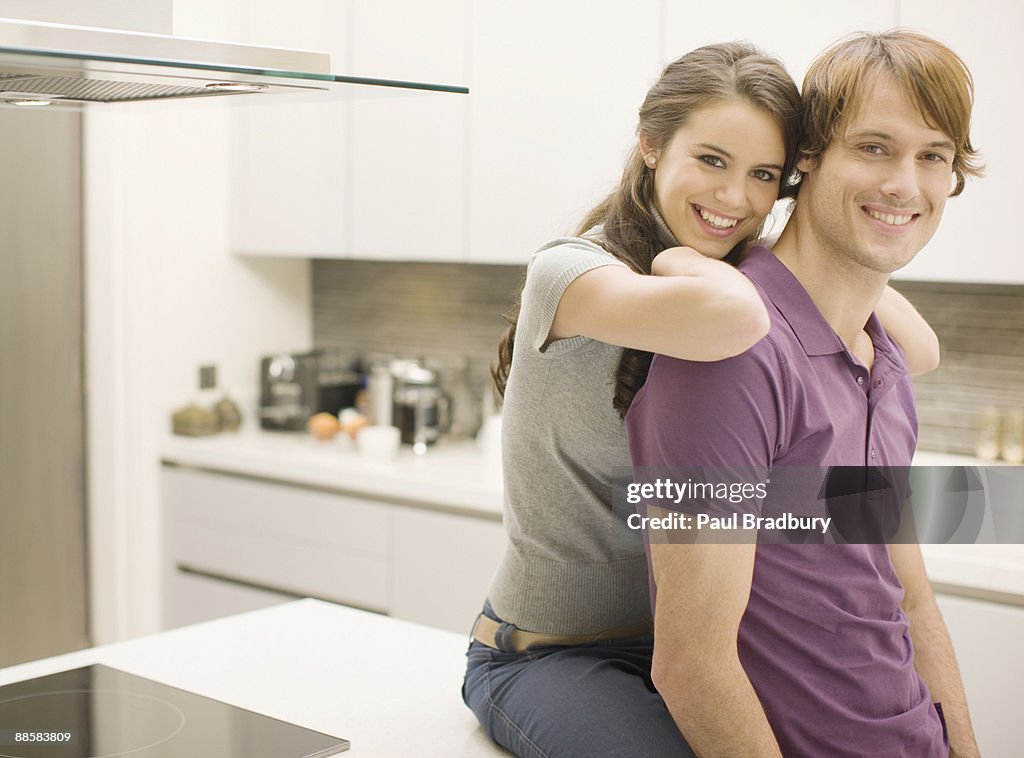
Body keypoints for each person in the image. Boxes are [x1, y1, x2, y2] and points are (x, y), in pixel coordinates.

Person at [462, 43, 939, 758]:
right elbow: (738, 320)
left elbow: (920, 351)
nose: (734, 198)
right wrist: (701, 258)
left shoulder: (732, 272)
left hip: (686, 650)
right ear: (652, 146)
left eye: (763, 176)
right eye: (711, 160)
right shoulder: (572, 271)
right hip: (551, 654)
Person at [626, 30, 983, 757]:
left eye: (933, 157)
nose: (904, 186)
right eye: (874, 148)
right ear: (807, 160)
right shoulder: (729, 351)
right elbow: (691, 664)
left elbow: (911, 601)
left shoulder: (884, 360)